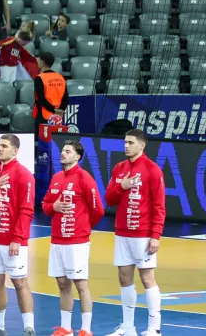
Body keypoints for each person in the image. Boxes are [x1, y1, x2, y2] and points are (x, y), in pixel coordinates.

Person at [104, 129, 167, 336]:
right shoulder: (119, 168)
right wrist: (121, 186)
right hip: (122, 233)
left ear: (142, 145)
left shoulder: (152, 170)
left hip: (143, 234)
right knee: (124, 278)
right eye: (125, 142)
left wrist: (155, 235)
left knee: (147, 277)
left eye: (130, 142)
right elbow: (109, 199)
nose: (126, 146)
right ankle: (128, 327)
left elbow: (159, 206)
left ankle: (154, 328)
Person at [44, 141, 105, 336]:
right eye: (62, 150)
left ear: (77, 156)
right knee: (62, 283)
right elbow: (45, 205)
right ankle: (66, 328)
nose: (63, 153)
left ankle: (86, 330)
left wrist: (83, 228)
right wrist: (54, 207)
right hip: (57, 239)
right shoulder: (56, 178)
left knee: (80, 283)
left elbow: (98, 210)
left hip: (76, 241)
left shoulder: (84, 178)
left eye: (68, 151)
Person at [0, 135, 36, 336]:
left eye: (4, 146)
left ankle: (29, 328)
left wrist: (17, 238)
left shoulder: (23, 175)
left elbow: (26, 209)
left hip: (13, 241)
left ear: (14, 151)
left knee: (19, 282)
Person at [33, 52, 69, 131]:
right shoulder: (60, 77)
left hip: (43, 116)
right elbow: (65, 97)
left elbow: (41, 99)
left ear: (42, 63)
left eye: (38, 60)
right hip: (58, 117)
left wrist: (53, 109)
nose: (37, 62)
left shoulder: (40, 78)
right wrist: (60, 110)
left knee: (43, 141)